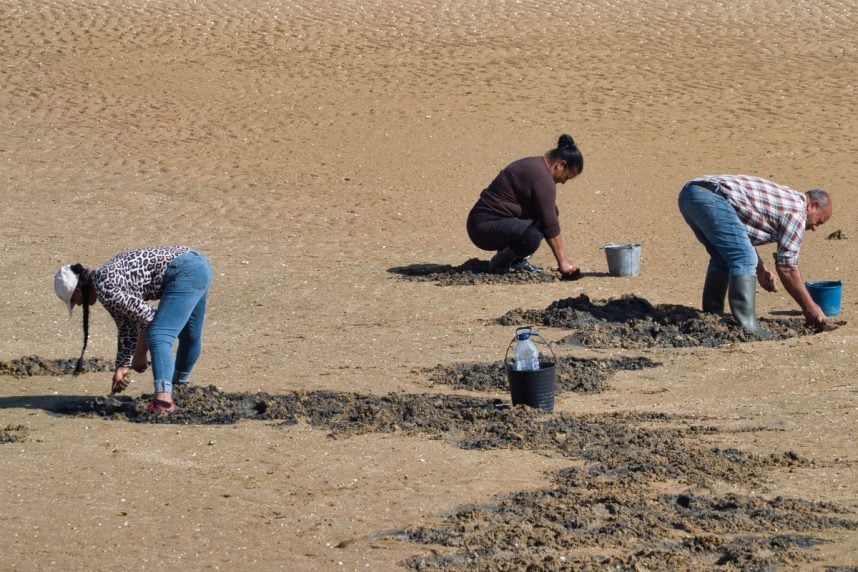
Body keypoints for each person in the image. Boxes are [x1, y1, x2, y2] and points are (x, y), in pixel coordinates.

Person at [53, 246, 213, 413]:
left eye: (74, 300)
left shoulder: (106, 289)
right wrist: (122, 367)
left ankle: (163, 402)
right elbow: (127, 326)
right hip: (199, 265)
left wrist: (140, 354)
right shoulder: (104, 277)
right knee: (189, 334)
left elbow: (149, 318)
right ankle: (180, 387)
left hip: (184, 271)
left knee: (158, 336)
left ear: (78, 290)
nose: (78, 304)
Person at [678, 175, 832, 335]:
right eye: (819, 221)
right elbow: (787, 267)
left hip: (691, 194)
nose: (815, 228)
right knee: (744, 260)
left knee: (722, 257)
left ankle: (712, 316)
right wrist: (810, 307)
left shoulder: (787, 199)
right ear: (812, 206)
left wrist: (760, 269)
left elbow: (739, 236)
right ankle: (748, 326)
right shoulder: (797, 212)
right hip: (712, 198)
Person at [467, 134, 583, 276]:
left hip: (481, 222)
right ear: (560, 165)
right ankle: (502, 261)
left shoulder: (535, 164)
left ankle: (516, 260)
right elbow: (550, 224)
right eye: (566, 176)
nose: (564, 182)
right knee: (531, 236)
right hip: (483, 227)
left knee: (550, 212)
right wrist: (563, 262)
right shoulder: (543, 178)